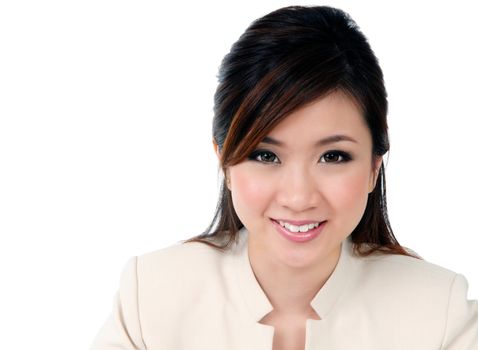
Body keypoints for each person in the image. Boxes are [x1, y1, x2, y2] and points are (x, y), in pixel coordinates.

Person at [90, 5, 478, 350]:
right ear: (224, 163)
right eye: (265, 155)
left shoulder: (439, 313)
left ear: (375, 167)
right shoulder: (151, 296)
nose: (298, 196)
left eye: (333, 156)